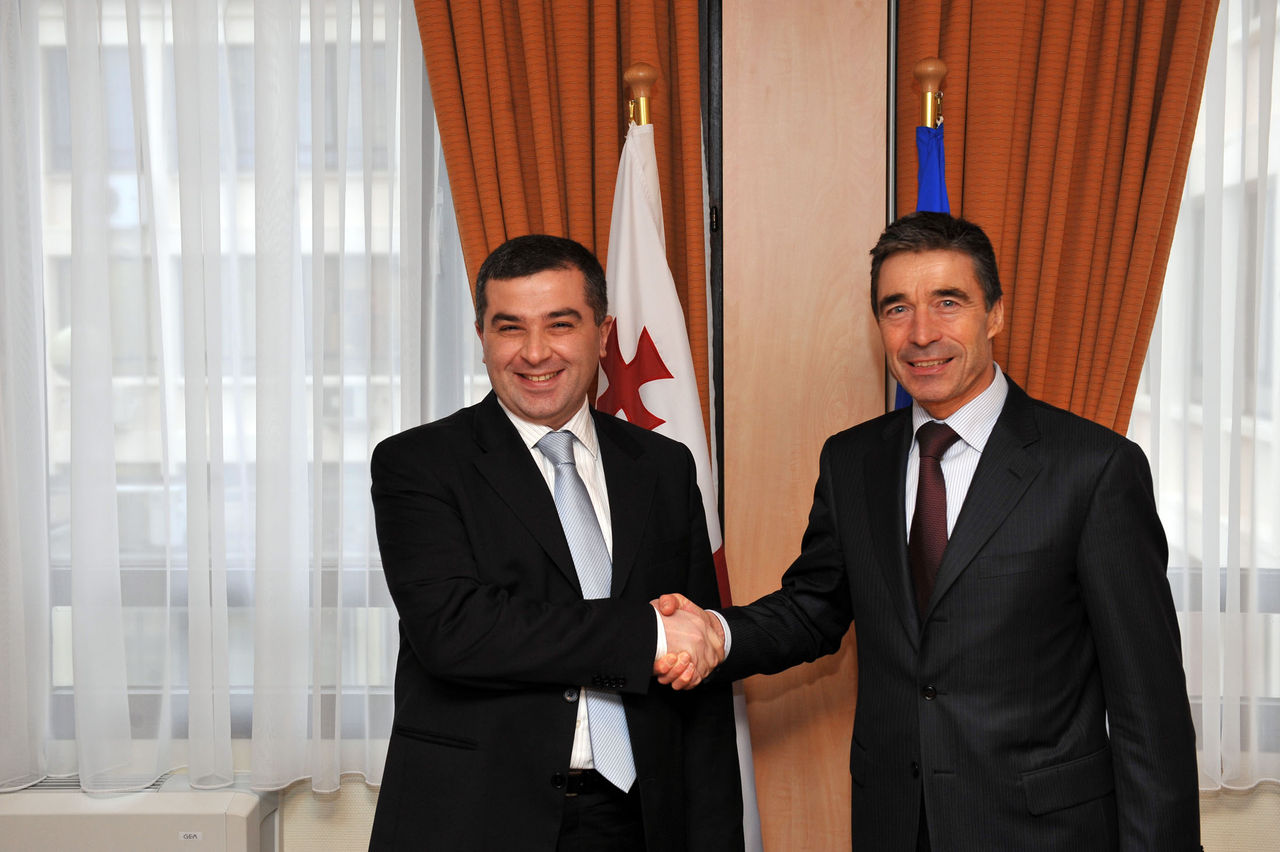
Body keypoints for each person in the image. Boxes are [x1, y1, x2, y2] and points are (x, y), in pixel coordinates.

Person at [658, 211, 1201, 851]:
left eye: (948, 302)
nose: (921, 334)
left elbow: (1150, 708)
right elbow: (813, 608)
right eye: (896, 309)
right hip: (896, 824)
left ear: (995, 314)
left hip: (1043, 832)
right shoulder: (853, 460)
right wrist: (717, 633)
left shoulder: (1094, 469)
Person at [370, 234, 743, 851]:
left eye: (560, 324)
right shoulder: (419, 463)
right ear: (482, 335)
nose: (535, 352)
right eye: (509, 327)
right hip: (477, 816)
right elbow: (457, 632)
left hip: (639, 819)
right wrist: (647, 634)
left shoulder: (663, 467)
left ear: (602, 334)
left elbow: (696, 669)